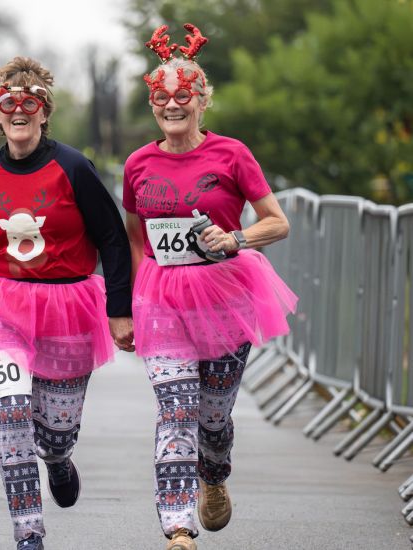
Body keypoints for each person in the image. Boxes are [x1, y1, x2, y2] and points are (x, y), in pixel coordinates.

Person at [0, 57, 134, 550]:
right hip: (2, 308)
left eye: (28, 104)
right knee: (11, 410)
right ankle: (28, 534)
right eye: (8, 104)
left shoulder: (73, 167)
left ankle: (57, 458)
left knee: (55, 432)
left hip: (68, 305)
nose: (18, 111)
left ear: (43, 112)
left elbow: (113, 239)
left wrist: (120, 309)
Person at [123, 25, 298, 550]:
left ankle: (215, 474)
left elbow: (278, 222)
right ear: (152, 102)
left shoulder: (232, 154)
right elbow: (134, 238)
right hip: (162, 298)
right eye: (162, 96)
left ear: (202, 101)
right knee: (176, 410)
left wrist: (236, 237)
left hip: (225, 295)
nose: (172, 105)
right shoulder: (138, 163)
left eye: (184, 96)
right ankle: (177, 524)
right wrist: (131, 303)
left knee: (213, 417)